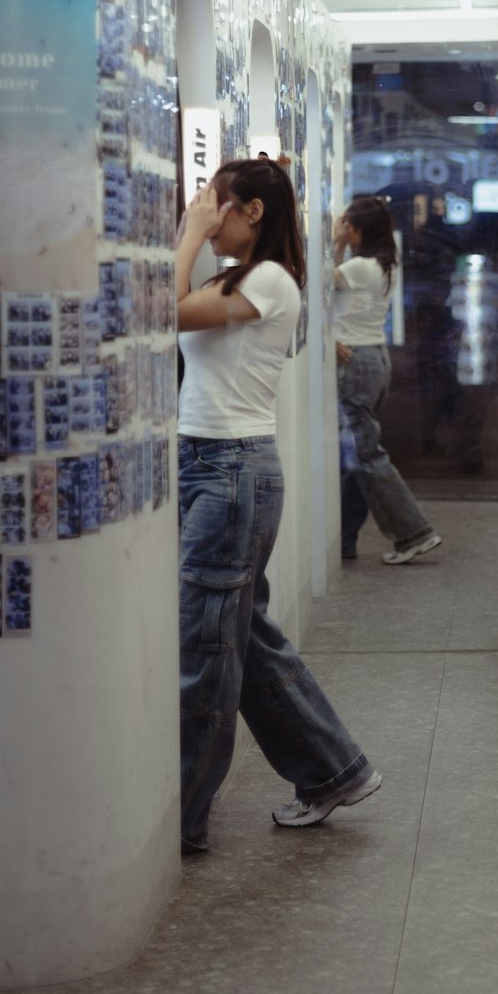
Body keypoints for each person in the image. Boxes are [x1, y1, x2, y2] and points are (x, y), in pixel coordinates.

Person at [176, 158, 381, 854]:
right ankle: (334, 769)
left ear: (252, 212)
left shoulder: (268, 279)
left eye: (220, 208)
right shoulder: (240, 276)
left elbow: (167, 310)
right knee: (244, 637)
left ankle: (185, 816)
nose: (211, 218)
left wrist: (186, 235)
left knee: (206, 647)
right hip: (211, 464)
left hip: (230, 471)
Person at [333, 195, 441, 565]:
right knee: (355, 457)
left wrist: (335, 243)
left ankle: (414, 533)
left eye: (347, 224)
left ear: (357, 229)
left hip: (356, 363)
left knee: (366, 454)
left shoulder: (359, 267)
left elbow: (315, 288)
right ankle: (345, 541)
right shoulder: (384, 264)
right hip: (373, 359)